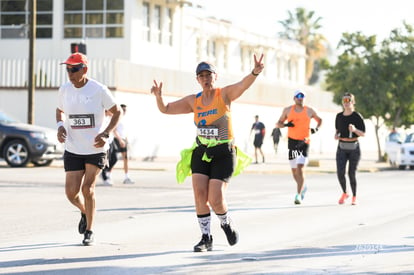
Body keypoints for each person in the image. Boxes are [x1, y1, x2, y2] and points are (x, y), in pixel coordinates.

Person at [151, 54, 264, 252]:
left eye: (208, 74)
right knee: (199, 195)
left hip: (223, 152)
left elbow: (243, 85)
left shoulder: (224, 95)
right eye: (201, 75)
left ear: (215, 76)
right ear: (197, 79)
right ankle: (206, 238)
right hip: (201, 151)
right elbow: (166, 109)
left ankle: (226, 222)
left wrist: (255, 71)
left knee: (216, 198)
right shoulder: (193, 101)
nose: (205, 78)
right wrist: (159, 97)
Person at [56, 52, 122, 245]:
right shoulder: (65, 89)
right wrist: (60, 126)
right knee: (71, 193)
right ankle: (85, 212)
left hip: (96, 148)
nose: (70, 73)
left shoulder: (98, 89)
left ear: (84, 69)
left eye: (74, 69)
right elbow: (59, 110)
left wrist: (107, 133)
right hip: (73, 147)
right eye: (68, 69)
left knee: (88, 188)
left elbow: (117, 111)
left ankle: (90, 231)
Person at [277, 90, 322, 205]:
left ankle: (298, 195)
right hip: (292, 142)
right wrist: (287, 124)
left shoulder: (309, 110)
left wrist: (316, 129)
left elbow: (320, 120)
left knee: (300, 167)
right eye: (298, 96)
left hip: (304, 142)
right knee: (294, 171)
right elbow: (278, 124)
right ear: (294, 98)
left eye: (302, 96)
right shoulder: (287, 110)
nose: (300, 98)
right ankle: (302, 187)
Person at [334, 93, 365, 205]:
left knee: (351, 173)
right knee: (340, 173)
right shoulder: (339, 116)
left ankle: (354, 197)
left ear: (353, 102)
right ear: (342, 102)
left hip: (354, 148)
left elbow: (363, 133)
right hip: (341, 147)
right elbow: (337, 130)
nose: (346, 102)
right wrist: (336, 135)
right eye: (344, 101)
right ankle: (345, 192)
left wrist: (355, 130)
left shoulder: (357, 116)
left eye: (349, 100)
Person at [113, 104, 134, 184]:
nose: (125, 111)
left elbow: (125, 132)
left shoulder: (125, 119)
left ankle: (126, 177)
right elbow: (114, 130)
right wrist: (120, 140)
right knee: (113, 159)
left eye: (126, 110)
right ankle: (108, 175)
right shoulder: (117, 118)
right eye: (123, 110)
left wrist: (126, 141)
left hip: (124, 140)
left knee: (126, 158)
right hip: (117, 140)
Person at [101, 110, 118, 186]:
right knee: (105, 160)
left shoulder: (110, 118)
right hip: (105, 141)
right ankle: (105, 178)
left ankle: (106, 172)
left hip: (111, 140)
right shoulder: (102, 118)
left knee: (115, 158)